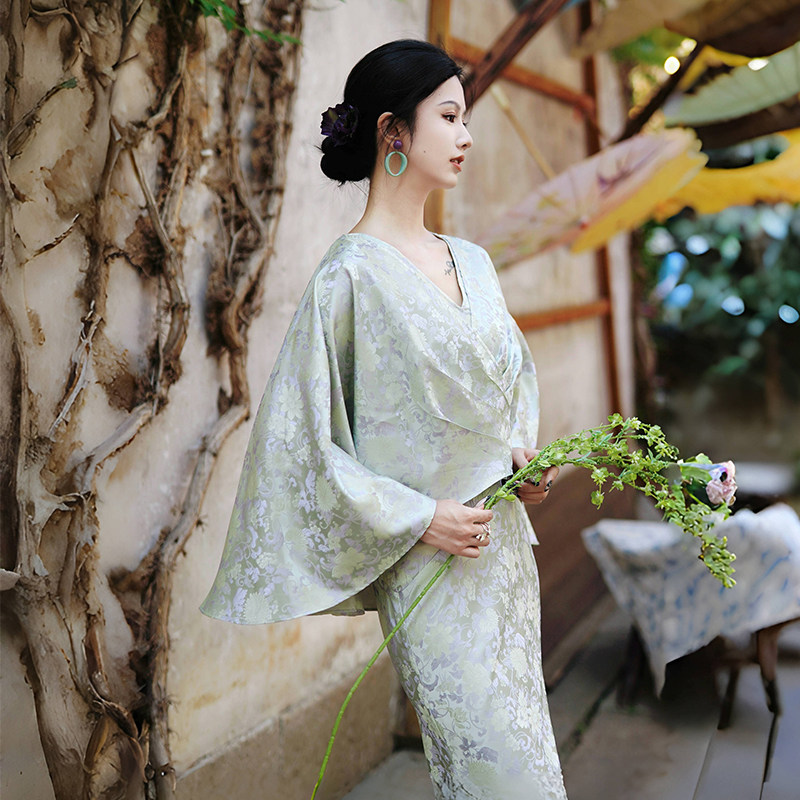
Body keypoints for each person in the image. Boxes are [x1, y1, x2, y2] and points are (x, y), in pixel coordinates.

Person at [201, 39, 567, 800]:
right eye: (449, 117)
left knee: (528, 760)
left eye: (465, 118)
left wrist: (519, 463)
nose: (467, 136)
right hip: (430, 565)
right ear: (392, 131)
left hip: (503, 558)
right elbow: (300, 449)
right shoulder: (349, 277)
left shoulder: (475, 263)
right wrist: (422, 515)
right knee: (497, 773)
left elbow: (501, 398)